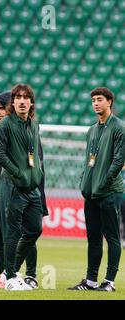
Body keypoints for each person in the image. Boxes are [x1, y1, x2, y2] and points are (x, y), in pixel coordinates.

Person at [0, 91, 48, 289]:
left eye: (1, 107)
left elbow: (36, 160)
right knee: (2, 236)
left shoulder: (27, 128)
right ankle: (6, 274)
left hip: (22, 186)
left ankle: (30, 274)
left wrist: (31, 182)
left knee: (28, 230)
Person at [69, 87, 124, 292]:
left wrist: (103, 183)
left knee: (112, 237)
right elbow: (87, 161)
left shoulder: (119, 127)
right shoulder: (91, 130)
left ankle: (109, 282)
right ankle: (91, 281)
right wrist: (85, 183)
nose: (95, 103)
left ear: (109, 101)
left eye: (99, 99)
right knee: (93, 237)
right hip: (91, 193)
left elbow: (118, 160)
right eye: (93, 100)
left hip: (110, 192)